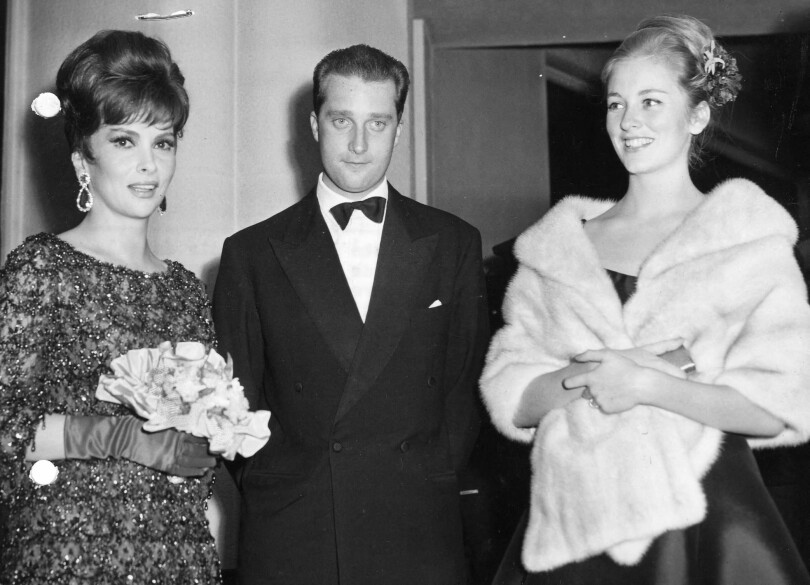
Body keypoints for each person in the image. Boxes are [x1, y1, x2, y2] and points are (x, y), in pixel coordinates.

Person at [481, 14, 810, 585]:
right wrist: (602, 375)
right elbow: (515, 397)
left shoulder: (747, 240)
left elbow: (781, 405)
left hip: (707, 520)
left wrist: (651, 385)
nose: (628, 121)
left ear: (698, 114)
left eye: (651, 101)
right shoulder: (559, 247)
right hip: (577, 521)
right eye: (615, 103)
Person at [213, 44, 489, 585]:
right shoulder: (252, 253)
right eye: (342, 121)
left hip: (417, 529)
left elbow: (466, 387)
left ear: (399, 129)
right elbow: (232, 403)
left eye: (378, 123)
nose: (359, 145)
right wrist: (286, 482)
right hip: (297, 533)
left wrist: (421, 478)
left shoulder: (454, 242)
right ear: (314, 124)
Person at [0, 30, 222, 584]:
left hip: (178, 558)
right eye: (125, 140)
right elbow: (7, 429)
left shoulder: (185, 292)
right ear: (83, 158)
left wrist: (212, 440)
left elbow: (198, 457)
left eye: (163, 142)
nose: (149, 164)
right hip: (69, 555)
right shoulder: (41, 270)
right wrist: (123, 437)